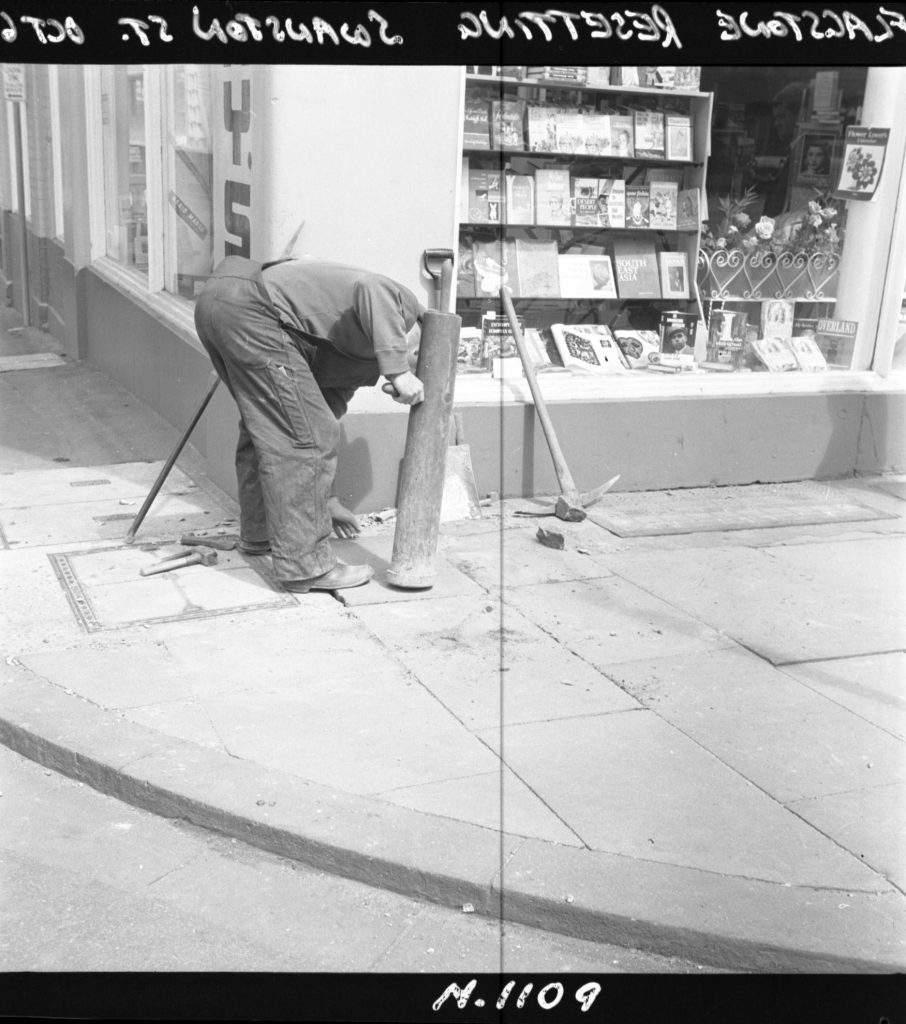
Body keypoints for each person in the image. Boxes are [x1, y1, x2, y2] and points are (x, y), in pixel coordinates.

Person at [194, 256, 425, 594]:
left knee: (271, 429)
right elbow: (372, 287)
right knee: (300, 438)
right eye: (417, 361)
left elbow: (320, 415)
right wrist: (398, 371)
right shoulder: (404, 310)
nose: (413, 367)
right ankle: (306, 567)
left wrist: (326, 500)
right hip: (250, 306)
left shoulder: (361, 353)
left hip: (224, 302)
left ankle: (262, 535)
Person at [763, 81, 808, 216]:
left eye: (782, 117)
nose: (776, 124)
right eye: (775, 118)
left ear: (800, 116)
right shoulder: (795, 150)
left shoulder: (804, 155)